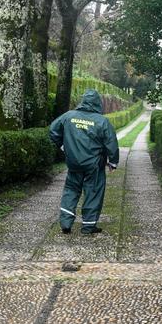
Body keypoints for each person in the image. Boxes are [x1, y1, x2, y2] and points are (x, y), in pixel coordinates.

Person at [49, 89, 119, 235]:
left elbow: (53, 130)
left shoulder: (69, 116)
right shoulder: (102, 121)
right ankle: (88, 226)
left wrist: (63, 146)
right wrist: (113, 162)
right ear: (97, 103)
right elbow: (111, 143)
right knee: (93, 192)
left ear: (83, 101)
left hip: (73, 163)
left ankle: (65, 222)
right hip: (94, 165)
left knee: (71, 190)